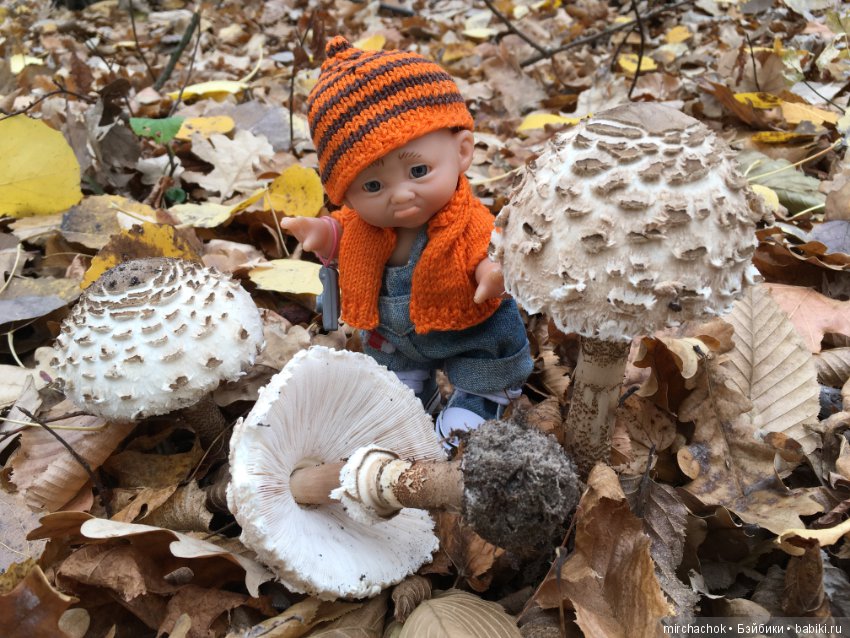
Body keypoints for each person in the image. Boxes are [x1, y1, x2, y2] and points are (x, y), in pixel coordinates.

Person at [280, 36, 533, 441]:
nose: (400, 194)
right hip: (398, 337)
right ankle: (406, 400)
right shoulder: (360, 225)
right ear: (345, 193)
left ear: (462, 151)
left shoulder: (466, 220)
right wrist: (321, 233)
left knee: (485, 351)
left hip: (468, 325)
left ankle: (479, 399)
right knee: (391, 371)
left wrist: (492, 272)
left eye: (418, 172)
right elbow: (341, 235)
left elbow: (487, 247)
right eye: (374, 185)